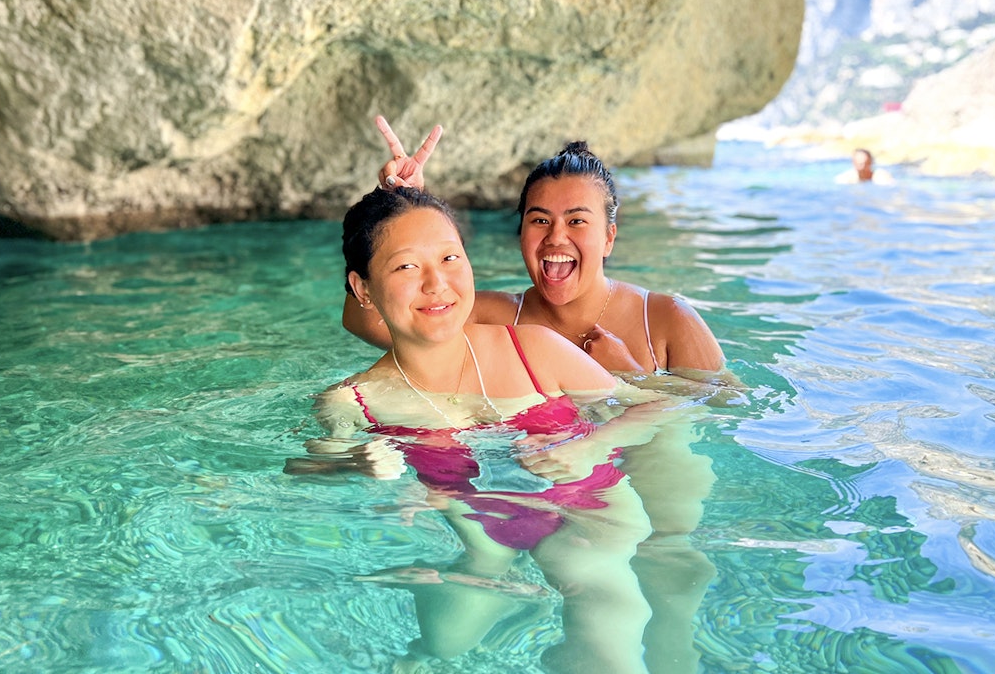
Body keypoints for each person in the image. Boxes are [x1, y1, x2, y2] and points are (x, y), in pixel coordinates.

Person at [291, 185, 705, 672]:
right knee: (443, 647)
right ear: (363, 289)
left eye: (450, 258)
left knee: (612, 639)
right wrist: (353, 460)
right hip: (482, 535)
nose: (436, 284)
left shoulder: (534, 349)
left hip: (591, 515)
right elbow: (304, 465)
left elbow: (663, 406)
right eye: (407, 266)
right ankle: (499, 588)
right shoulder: (355, 400)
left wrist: (596, 443)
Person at [344, 116, 727, 380]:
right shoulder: (496, 317)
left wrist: (632, 379)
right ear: (521, 233)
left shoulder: (665, 319)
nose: (556, 238)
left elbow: (726, 409)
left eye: (577, 221)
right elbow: (368, 319)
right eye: (540, 220)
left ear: (609, 237)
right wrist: (399, 204)